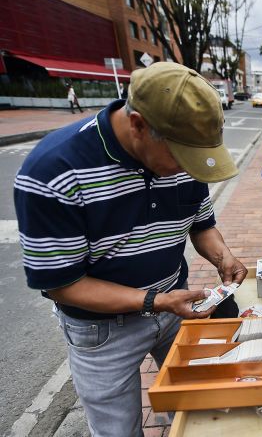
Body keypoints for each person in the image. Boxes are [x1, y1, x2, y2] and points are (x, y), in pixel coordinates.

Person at [15, 62, 247, 436]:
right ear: (138, 125)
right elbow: (62, 283)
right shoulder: (53, 172)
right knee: (117, 431)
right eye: (180, 158)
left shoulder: (185, 159)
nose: (186, 169)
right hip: (100, 331)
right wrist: (154, 300)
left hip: (175, 306)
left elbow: (202, 225)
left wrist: (223, 257)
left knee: (200, 409)